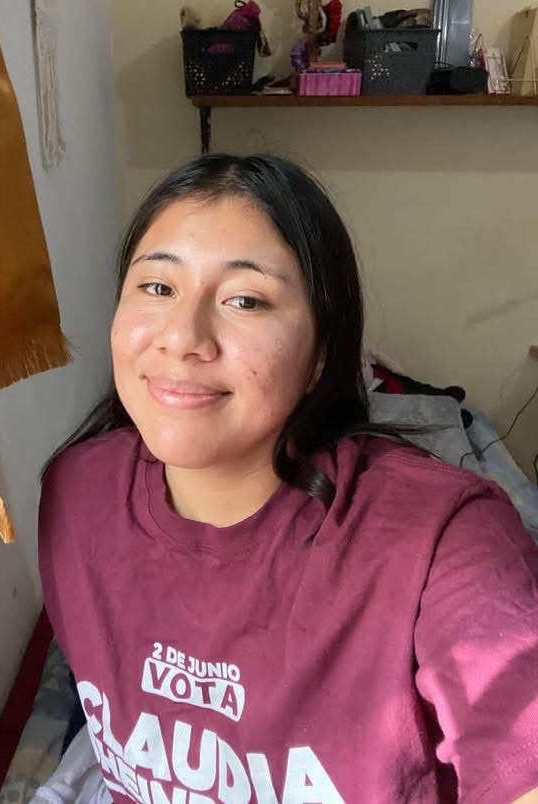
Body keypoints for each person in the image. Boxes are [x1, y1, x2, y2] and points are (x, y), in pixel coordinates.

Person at [39, 153, 538, 804]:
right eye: (157, 288)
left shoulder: (444, 541)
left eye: (244, 300)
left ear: (321, 355)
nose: (183, 338)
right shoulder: (77, 496)